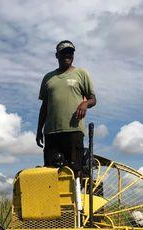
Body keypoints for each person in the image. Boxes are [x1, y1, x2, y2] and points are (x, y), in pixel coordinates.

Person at [36, 40, 96, 177]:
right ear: (57, 55)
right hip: (51, 132)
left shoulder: (81, 74)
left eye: (70, 52)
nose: (67, 55)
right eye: (63, 53)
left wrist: (85, 104)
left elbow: (93, 99)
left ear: (73, 55)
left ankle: (78, 198)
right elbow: (44, 106)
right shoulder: (48, 78)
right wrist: (39, 130)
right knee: (51, 173)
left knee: (75, 171)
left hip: (73, 131)